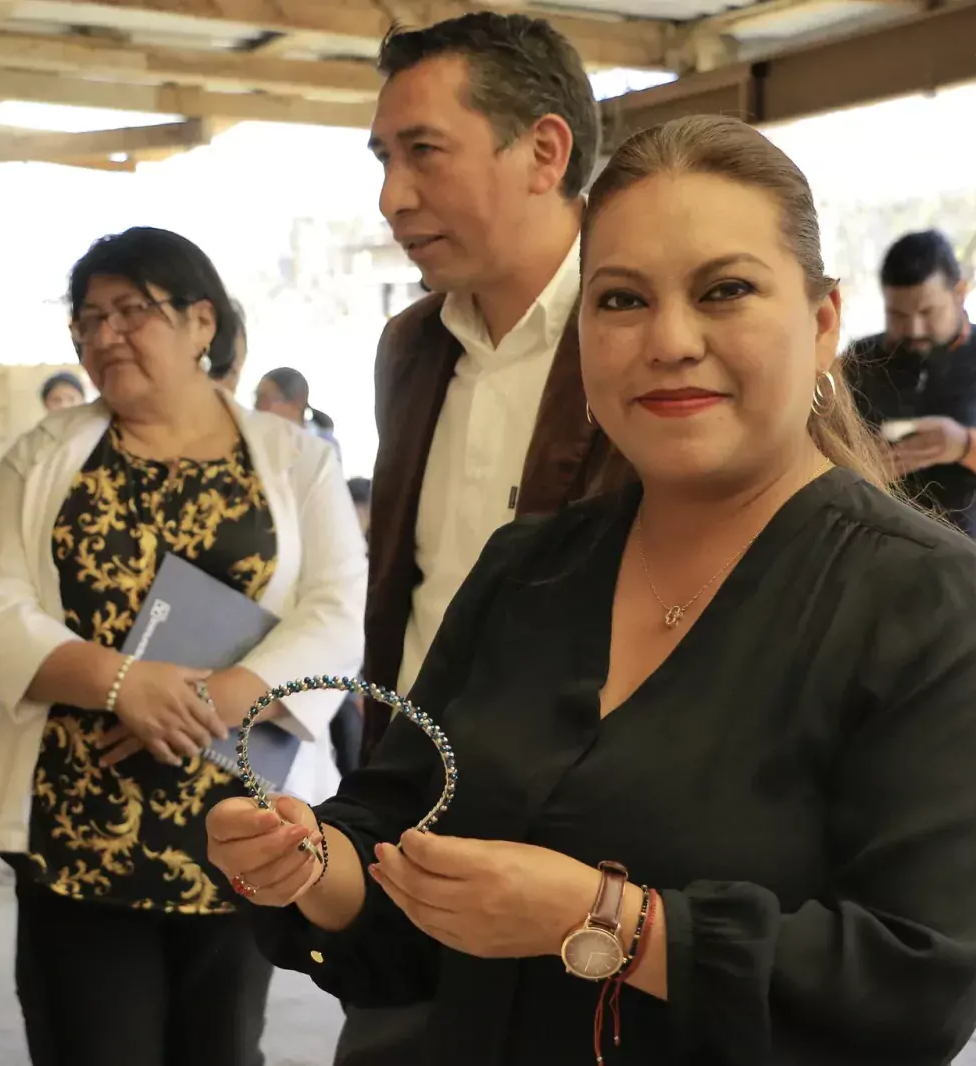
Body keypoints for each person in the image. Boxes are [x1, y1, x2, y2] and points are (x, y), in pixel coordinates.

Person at [208, 114, 976, 1066]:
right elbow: (400, 839)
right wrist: (316, 865)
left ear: (822, 325)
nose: (670, 340)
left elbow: (920, 981)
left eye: (725, 290)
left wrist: (604, 918)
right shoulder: (528, 570)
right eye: (622, 301)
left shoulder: (925, 604)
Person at [0, 226, 366, 1066]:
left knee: (222, 1049)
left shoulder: (295, 461)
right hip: (78, 820)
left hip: (243, 819)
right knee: (89, 1047)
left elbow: (336, 609)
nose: (104, 336)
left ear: (201, 322)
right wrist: (120, 683)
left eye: (130, 311)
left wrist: (222, 696)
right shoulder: (44, 455)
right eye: (88, 319)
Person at [346, 14, 609, 1060]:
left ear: (544, 150)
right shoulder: (411, 346)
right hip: (412, 829)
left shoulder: (638, 334)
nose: (391, 196)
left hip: (584, 865)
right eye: (382, 156)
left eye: (422, 151)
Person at [845, 230, 976, 542]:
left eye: (927, 312)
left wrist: (965, 446)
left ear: (960, 292)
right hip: (877, 553)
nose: (913, 328)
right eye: (898, 315)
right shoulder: (857, 362)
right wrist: (858, 464)